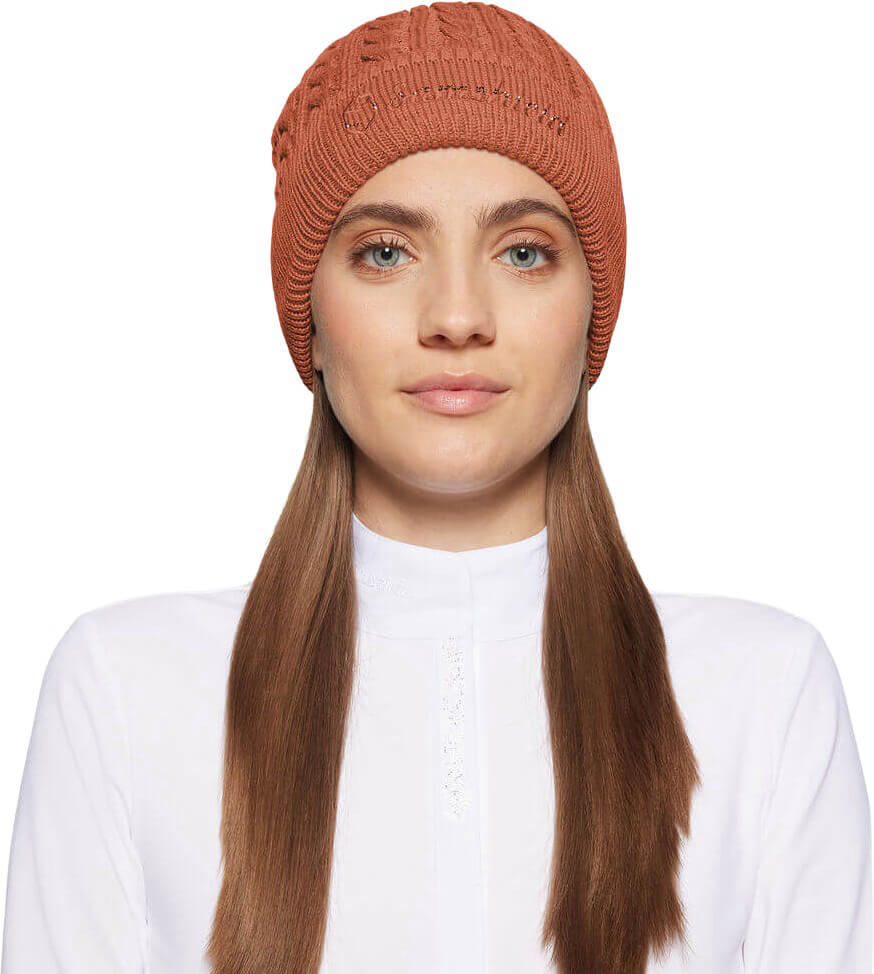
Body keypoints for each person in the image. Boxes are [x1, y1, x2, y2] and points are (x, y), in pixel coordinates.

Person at [2, 3, 871, 973]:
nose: (457, 316)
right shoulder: (125, 690)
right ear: (310, 317)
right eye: (385, 251)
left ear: (592, 307)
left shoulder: (764, 692)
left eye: (523, 251)